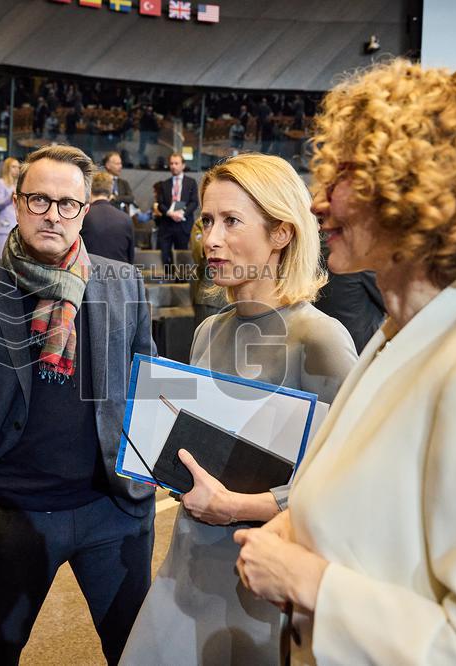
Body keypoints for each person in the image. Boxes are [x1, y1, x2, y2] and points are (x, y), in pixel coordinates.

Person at [235, 60, 456, 664]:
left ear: (422, 190)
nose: (319, 202)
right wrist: (298, 524)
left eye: (345, 174)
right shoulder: (400, 336)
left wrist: (308, 581)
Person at [121, 153, 357, 665]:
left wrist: (238, 507)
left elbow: (348, 486)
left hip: (264, 576)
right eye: (207, 221)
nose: (211, 239)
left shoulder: (320, 339)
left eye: (231, 221)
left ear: (281, 234)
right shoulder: (210, 330)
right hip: (189, 557)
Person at [0, 145, 156, 665]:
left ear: (85, 210)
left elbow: (145, 383)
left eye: (67, 204)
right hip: (15, 514)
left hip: (112, 511)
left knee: (137, 654)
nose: (52, 214)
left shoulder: (123, 282)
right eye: (39, 199)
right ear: (17, 202)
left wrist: (148, 475)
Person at [154, 152, 199, 271]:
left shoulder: (191, 183)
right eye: (171, 163)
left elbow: (194, 202)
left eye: (176, 163)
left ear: (183, 165)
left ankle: (181, 284)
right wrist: (170, 213)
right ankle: (166, 283)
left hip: (183, 224)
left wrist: (182, 213)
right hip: (167, 225)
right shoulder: (164, 184)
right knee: (164, 256)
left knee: (182, 257)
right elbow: (160, 204)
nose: (173, 166)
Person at [80, 171, 134, 264]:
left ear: (89, 189)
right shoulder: (126, 219)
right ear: (110, 190)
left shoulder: (83, 215)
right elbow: (131, 257)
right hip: (119, 275)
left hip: (88, 274)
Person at [0, 157, 19, 257]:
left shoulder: (18, 184)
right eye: (13, 166)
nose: (17, 169)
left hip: (16, 226)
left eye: (18, 167)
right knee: (3, 257)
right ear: (7, 168)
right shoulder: (0, 183)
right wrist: (10, 197)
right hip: (4, 226)